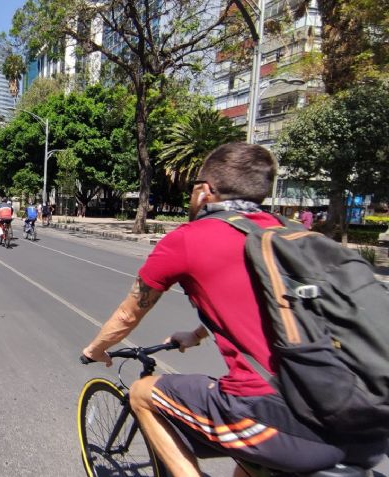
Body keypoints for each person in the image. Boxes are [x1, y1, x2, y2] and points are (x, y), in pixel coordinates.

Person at [81, 142, 388, 477]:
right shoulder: (286, 234)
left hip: (272, 414)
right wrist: (198, 332)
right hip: (361, 422)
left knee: (141, 394)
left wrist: (96, 349)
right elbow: (275, 306)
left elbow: (127, 315)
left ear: (204, 191)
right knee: (246, 469)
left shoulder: (188, 238)